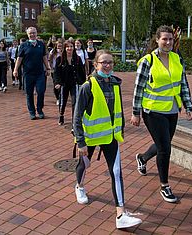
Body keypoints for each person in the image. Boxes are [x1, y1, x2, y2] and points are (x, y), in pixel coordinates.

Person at [73, 50, 142, 229]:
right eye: (103, 62)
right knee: (84, 164)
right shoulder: (88, 86)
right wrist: (80, 142)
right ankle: (79, 186)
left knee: (116, 172)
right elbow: (77, 116)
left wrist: (120, 130)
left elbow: (116, 110)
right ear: (95, 64)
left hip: (110, 136)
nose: (108, 65)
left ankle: (120, 214)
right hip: (90, 136)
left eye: (110, 62)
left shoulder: (115, 84)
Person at [130, 25, 192, 203]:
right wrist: (135, 112)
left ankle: (142, 158)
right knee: (165, 148)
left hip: (172, 110)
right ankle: (164, 186)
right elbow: (138, 88)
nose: (167, 42)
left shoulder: (177, 59)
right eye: (164, 39)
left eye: (170, 39)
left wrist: (188, 106)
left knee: (162, 145)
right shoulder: (147, 61)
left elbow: (183, 84)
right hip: (152, 111)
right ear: (157, 40)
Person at [13, 27, 51, 120]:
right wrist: (15, 69)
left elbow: (44, 57)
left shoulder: (41, 44)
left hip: (39, 73)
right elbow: (19, 58)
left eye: (34, 33)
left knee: (41, 91)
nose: (32, 35)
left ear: (37, 33)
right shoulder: (23, 45)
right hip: (28, 73)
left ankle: (40, 110)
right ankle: (32, 112)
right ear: (27, 34)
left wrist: (48, 67)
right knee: (29, 93)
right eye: (30, 33)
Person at [54, 40, 85, 126]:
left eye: (71, 46)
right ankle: (61, 115)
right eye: (67, 47)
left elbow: (82, 72)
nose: (69, 48)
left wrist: (83, 83)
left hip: (74, 83)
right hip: (64, 84)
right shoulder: (59, 59)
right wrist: (57, 82)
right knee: (63, 101)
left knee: (75, 102)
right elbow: (56, 73)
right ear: (64, 48)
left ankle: (74, 121)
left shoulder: (77, 59)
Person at [48, 39, 63, 106]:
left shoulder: (64, 52)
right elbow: (49, 60)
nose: (59, 46)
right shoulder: (53, 52)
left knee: (62, 84)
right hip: (54, 70)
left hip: (63, 70)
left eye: (60, 45)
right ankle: (58, 98)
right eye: (58, 45)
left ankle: (61, 97)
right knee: (56, 85)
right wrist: (50, 68)